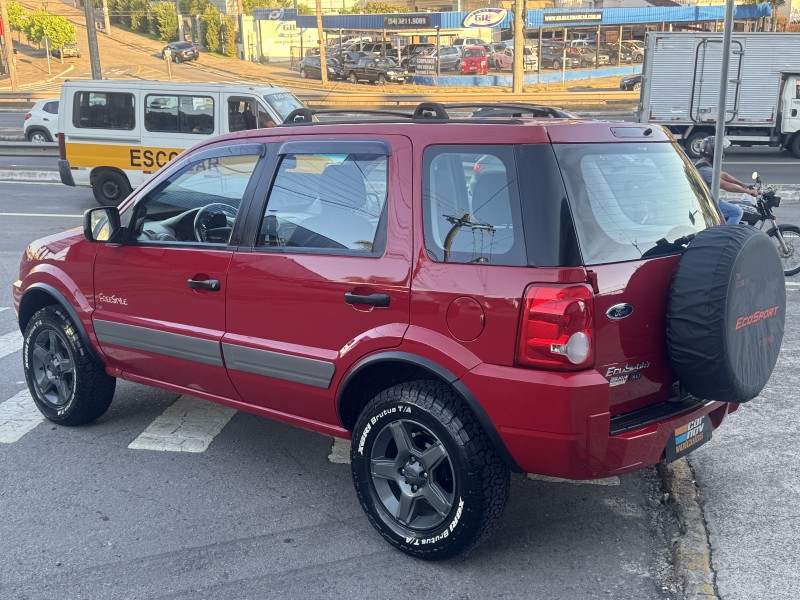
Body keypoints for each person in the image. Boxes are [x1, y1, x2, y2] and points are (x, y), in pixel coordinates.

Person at [694, 136, 756, 225]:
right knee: (737, 212)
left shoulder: (703, 163)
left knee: (729, 204)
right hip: (706, 202)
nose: (722, 152)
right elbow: (725, 185)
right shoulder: (706, 170)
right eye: (720, 150)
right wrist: (748, 192)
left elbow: (723, 175)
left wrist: (741, 184)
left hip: (705, 198)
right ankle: (726, 236)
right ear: (713, 151)